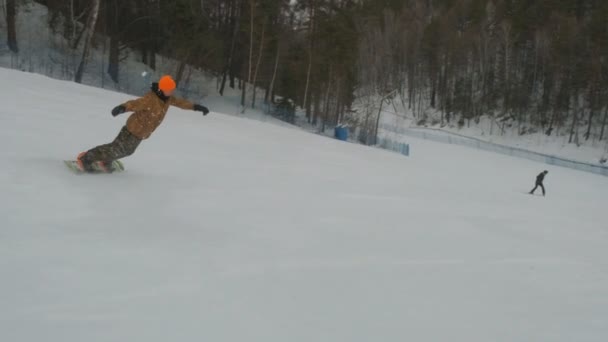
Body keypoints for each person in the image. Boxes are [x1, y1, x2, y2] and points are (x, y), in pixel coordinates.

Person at [76, 75, 210, 172]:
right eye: (170, 89)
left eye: (172, 90)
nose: (172, 92)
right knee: (120, 149)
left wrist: (196, 107)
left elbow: (181, 103)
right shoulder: (151, 99)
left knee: (121, 149)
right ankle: (87, 158)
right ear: (163, 88)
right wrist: (122, 108)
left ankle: (105, 161)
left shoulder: (167, 99)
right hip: (133, 129)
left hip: (141, 132)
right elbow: (136, 103)